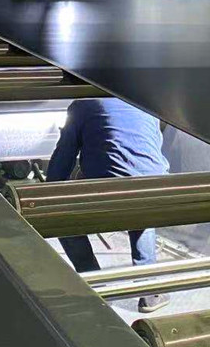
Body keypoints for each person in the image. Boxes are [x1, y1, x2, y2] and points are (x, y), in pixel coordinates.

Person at [46, 96, 170, 312]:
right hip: (157, 191)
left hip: (113, 196)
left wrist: (48, 194)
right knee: (141, 208)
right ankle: (150, 291)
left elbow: (62, 159)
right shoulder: (146, 103)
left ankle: (97, 285)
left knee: (61, 219)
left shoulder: (82, 105)